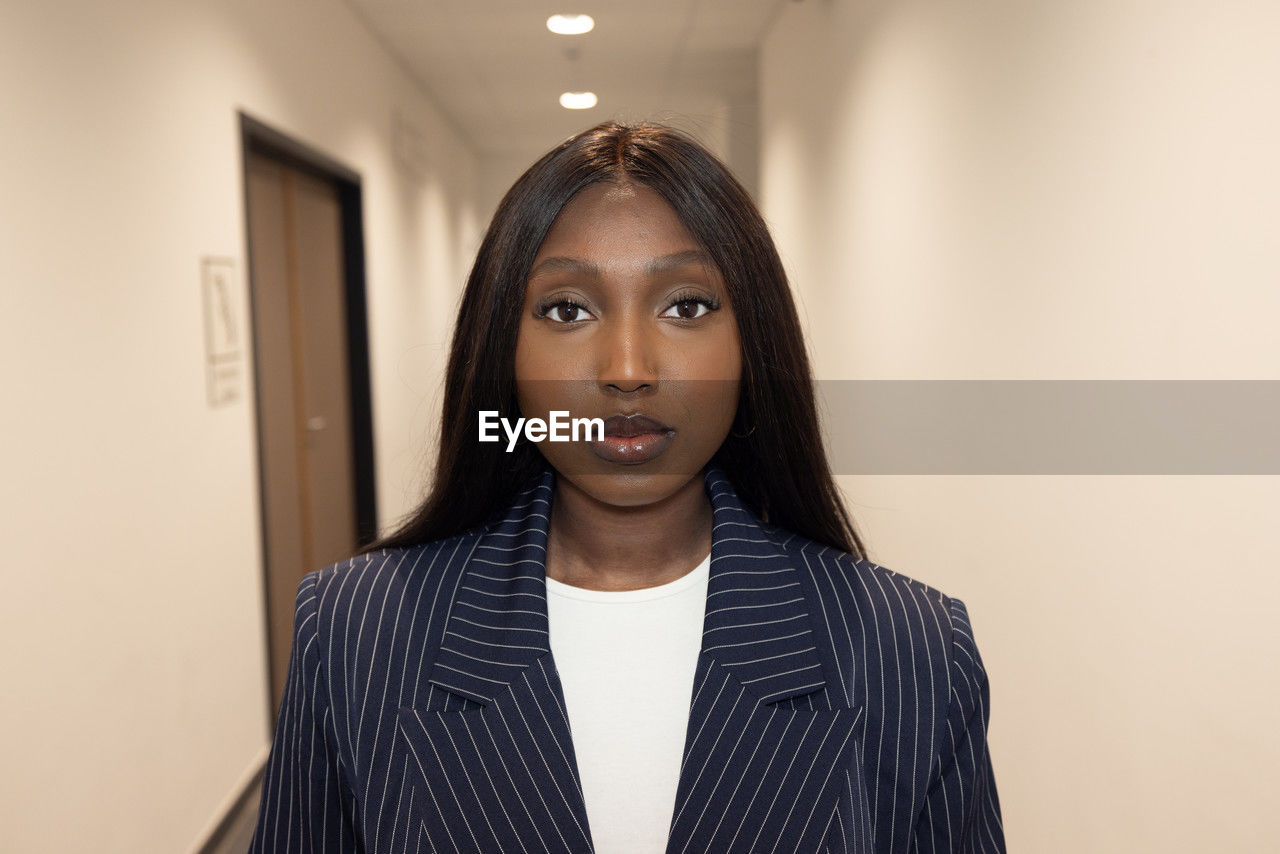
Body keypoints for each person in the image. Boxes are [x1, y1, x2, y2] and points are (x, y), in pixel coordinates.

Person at [249, 120, 1005, 853]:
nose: (628, 366)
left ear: (753, 342)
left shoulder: (912, 649)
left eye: (687, 305)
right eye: (567, 309)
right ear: (502, 350)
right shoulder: (352, 632)